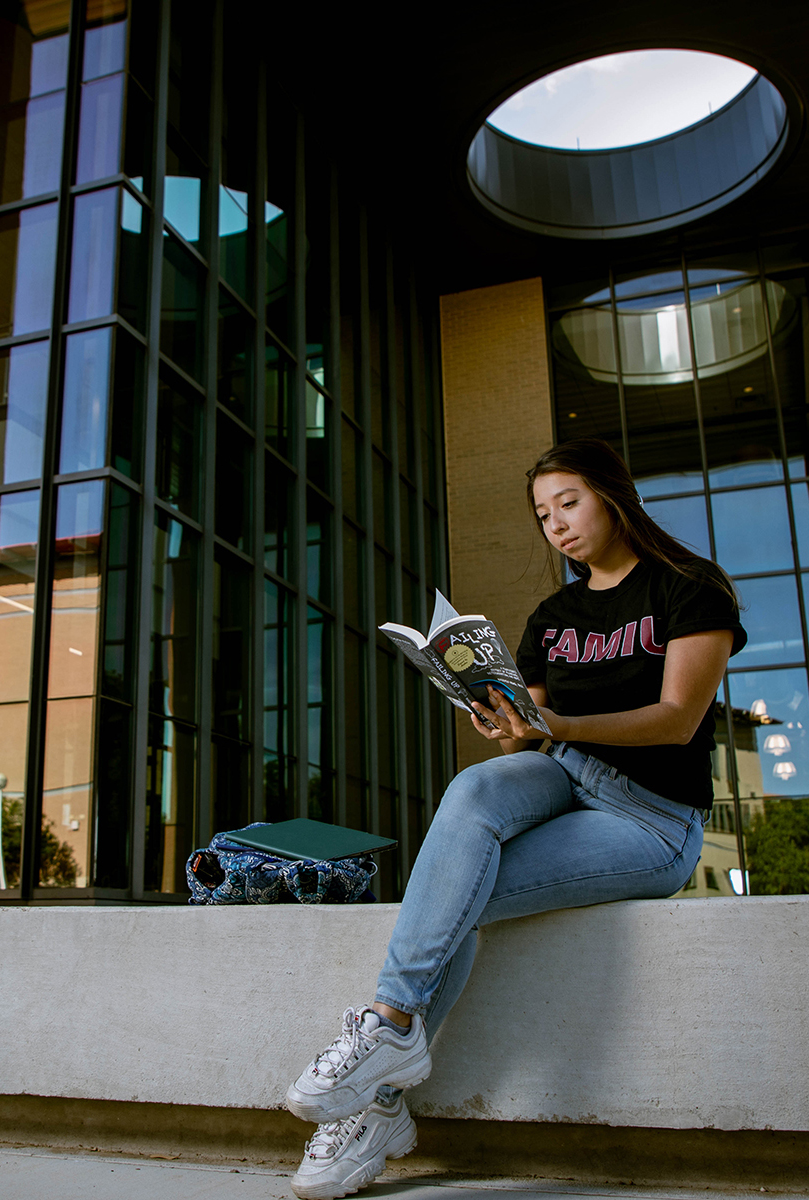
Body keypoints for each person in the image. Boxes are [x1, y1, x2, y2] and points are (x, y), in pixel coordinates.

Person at [286, 437, 746, 1200]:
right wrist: (507, 723)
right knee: (474, 788)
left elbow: (675, 719)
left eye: (569, 502)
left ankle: (378, 1106)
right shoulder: (553, 615)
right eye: (542, 514)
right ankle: (390, 1026)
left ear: (612, 497)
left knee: (454, 901)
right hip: (559, 776)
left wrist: (556, 725)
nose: (556, 524)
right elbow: (535, 727)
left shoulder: (690, 590)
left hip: (650, 818)